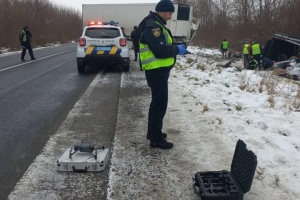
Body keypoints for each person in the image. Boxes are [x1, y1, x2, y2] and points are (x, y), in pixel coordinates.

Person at [138, 0, 188, 149]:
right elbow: (159, 51)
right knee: (159, 104)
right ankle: (156, 139)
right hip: (156, 71)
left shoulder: (156, 24)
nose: (170, 16)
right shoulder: (153, 27)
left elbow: (163, 45)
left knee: (157, 103)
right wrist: (176, 50)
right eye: (169, 13)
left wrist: (175, 47)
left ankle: (152, 132)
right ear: (161, 11)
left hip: (158, 71)